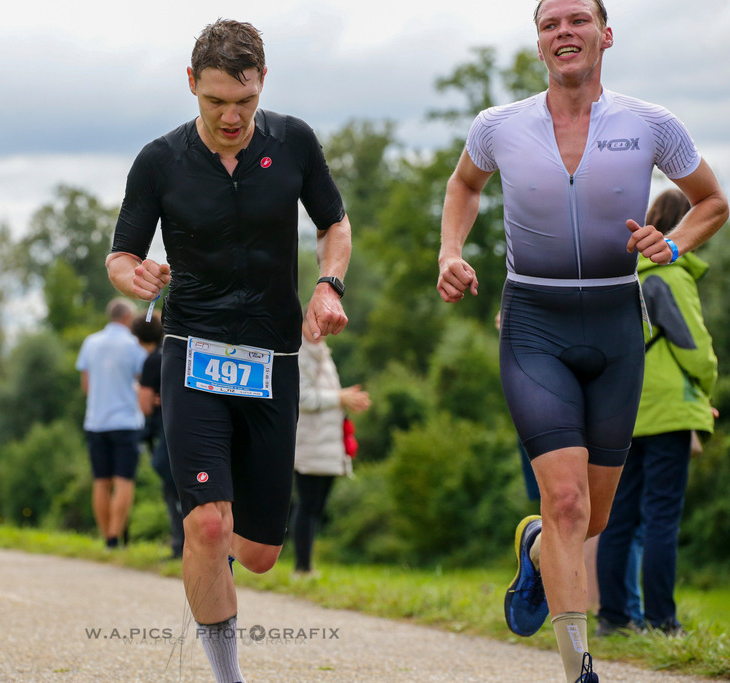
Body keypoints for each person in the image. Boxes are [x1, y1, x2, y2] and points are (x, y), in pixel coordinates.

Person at [436, 1, 728, 680]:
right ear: (538, 45)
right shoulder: (499, 127)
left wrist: (672, 243)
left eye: (577, 19)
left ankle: (537, 548)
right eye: (549, 24)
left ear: (606, 34)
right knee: (564, 499)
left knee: (588, 517)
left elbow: (712, 201)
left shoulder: (652, 125)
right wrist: (450, 251)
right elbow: (463, 184)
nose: (564, 32)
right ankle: (579, 670)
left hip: (614, 320)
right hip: (534, 322)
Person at [106, 19, 352, 682]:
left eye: (243, 101)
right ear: (192, 86)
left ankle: (211, 561)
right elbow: (121, 255)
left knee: (261, 551)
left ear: (261, 83)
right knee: (208, 527)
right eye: (215, 102)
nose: (231, 116)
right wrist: (137, 274)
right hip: (192, 353)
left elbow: (334, 223)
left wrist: (328, 286)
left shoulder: (294, 141)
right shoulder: (159, 161)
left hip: (273, 359)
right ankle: (227, 675)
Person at [595, 189, 719, 638]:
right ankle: (662, 621)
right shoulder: (670, 273)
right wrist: (705, 388)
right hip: (668, 408)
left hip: (622, 408)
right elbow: (694, 346)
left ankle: (612, 618)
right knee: (661, 516)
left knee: (618, 515)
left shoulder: (622, 275)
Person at [292, 317, 370, 575]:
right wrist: (340, 397)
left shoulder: (323, 354)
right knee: (307, 506)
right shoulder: (301, 354)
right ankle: (302, 567)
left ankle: (307, 565)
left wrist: (345, 398)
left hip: (327, 443)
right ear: (303, 324)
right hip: (309, 443)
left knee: (316, 508)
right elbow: (301, 397)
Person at [76, 298, 147, 549]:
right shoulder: (134, 345)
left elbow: (86, 386)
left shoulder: (90, 342)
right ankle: (117, 537)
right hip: (126, 421)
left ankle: (106, 537)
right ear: (128, 318)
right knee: (124, 481)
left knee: (101, 482)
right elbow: (144, 381)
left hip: (96, 421)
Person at [133, 314, 184, 559]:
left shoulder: (152, 361)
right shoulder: (176, 352)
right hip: (186, 428)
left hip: (163, 429)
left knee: (171, 489)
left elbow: (144, 404)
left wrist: (152, 397)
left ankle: (179, 545)